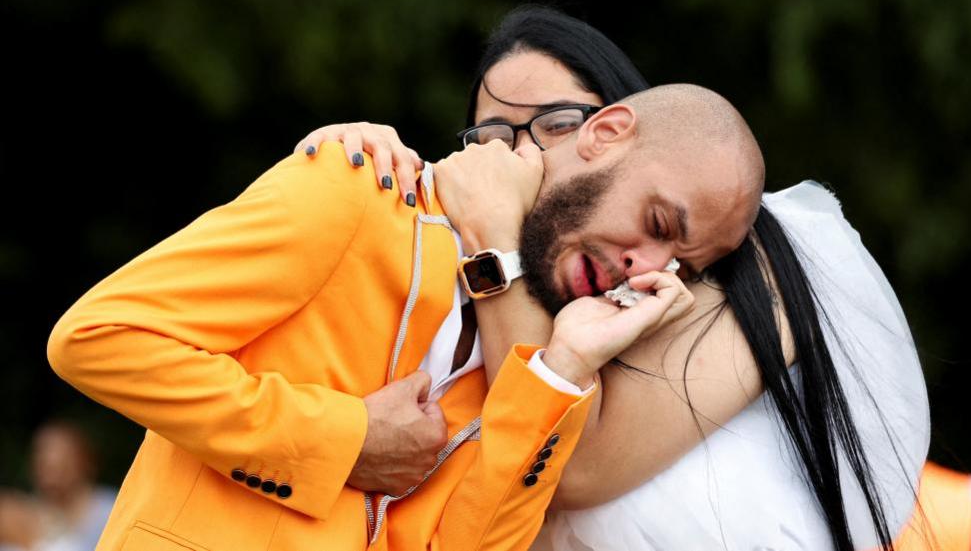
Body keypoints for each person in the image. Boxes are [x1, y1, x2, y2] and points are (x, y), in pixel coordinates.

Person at [295, 5, 929, 550]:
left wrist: (498, 242)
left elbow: (569, 464)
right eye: (489, 137)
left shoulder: (753, 259)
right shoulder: (469, 259)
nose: (521, 158)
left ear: (610, 130)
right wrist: (355, 157)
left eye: (557, 126)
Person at [45, 82, 751, 549]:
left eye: (679, 265)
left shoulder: (538, 366)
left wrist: (563, 369)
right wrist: (344, 440)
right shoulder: (359, 191)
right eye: (658, 220)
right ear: (605, 133)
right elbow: (100, 337)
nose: (647, 265)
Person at [0, 421, 116, 551]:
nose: (53, 472)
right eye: (45, 463)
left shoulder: (111, 510)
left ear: (85, 462)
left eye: (63, 462)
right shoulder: (16, 513)